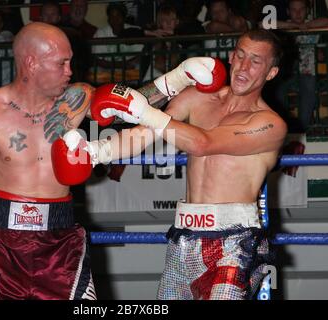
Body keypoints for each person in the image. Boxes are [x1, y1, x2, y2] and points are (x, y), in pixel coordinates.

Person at [0, 21, 224, 299]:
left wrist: (179, 77)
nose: (70, 71)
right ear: (31, 62)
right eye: (61, 63)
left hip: (60, 238)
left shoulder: (75, 98)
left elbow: (128, 104)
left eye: (70, 61)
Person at [57, 29, 287, 300]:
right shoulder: (198, 98)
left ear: (271, 73)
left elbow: (202, 143)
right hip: (185, 236)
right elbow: (145, 133)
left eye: (256, 61)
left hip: (234, 242)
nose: (244, 66)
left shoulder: (270, 124)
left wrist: (143, 110)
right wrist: (97, 151)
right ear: (230, 56)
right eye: (240, 55)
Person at [275, 0, 328, 131]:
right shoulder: (284, 26)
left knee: (309, 90)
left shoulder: (313, 25)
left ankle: (300, 130)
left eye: (301, 9)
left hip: (308, 72)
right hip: (287, 73)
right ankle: (282, 128)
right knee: (276, 91)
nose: (298, 13)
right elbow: (263, 25)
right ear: (288, 11)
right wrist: (293, 26)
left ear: (307, 11)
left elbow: (326, 21)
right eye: (294, 9)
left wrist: (306, 25)